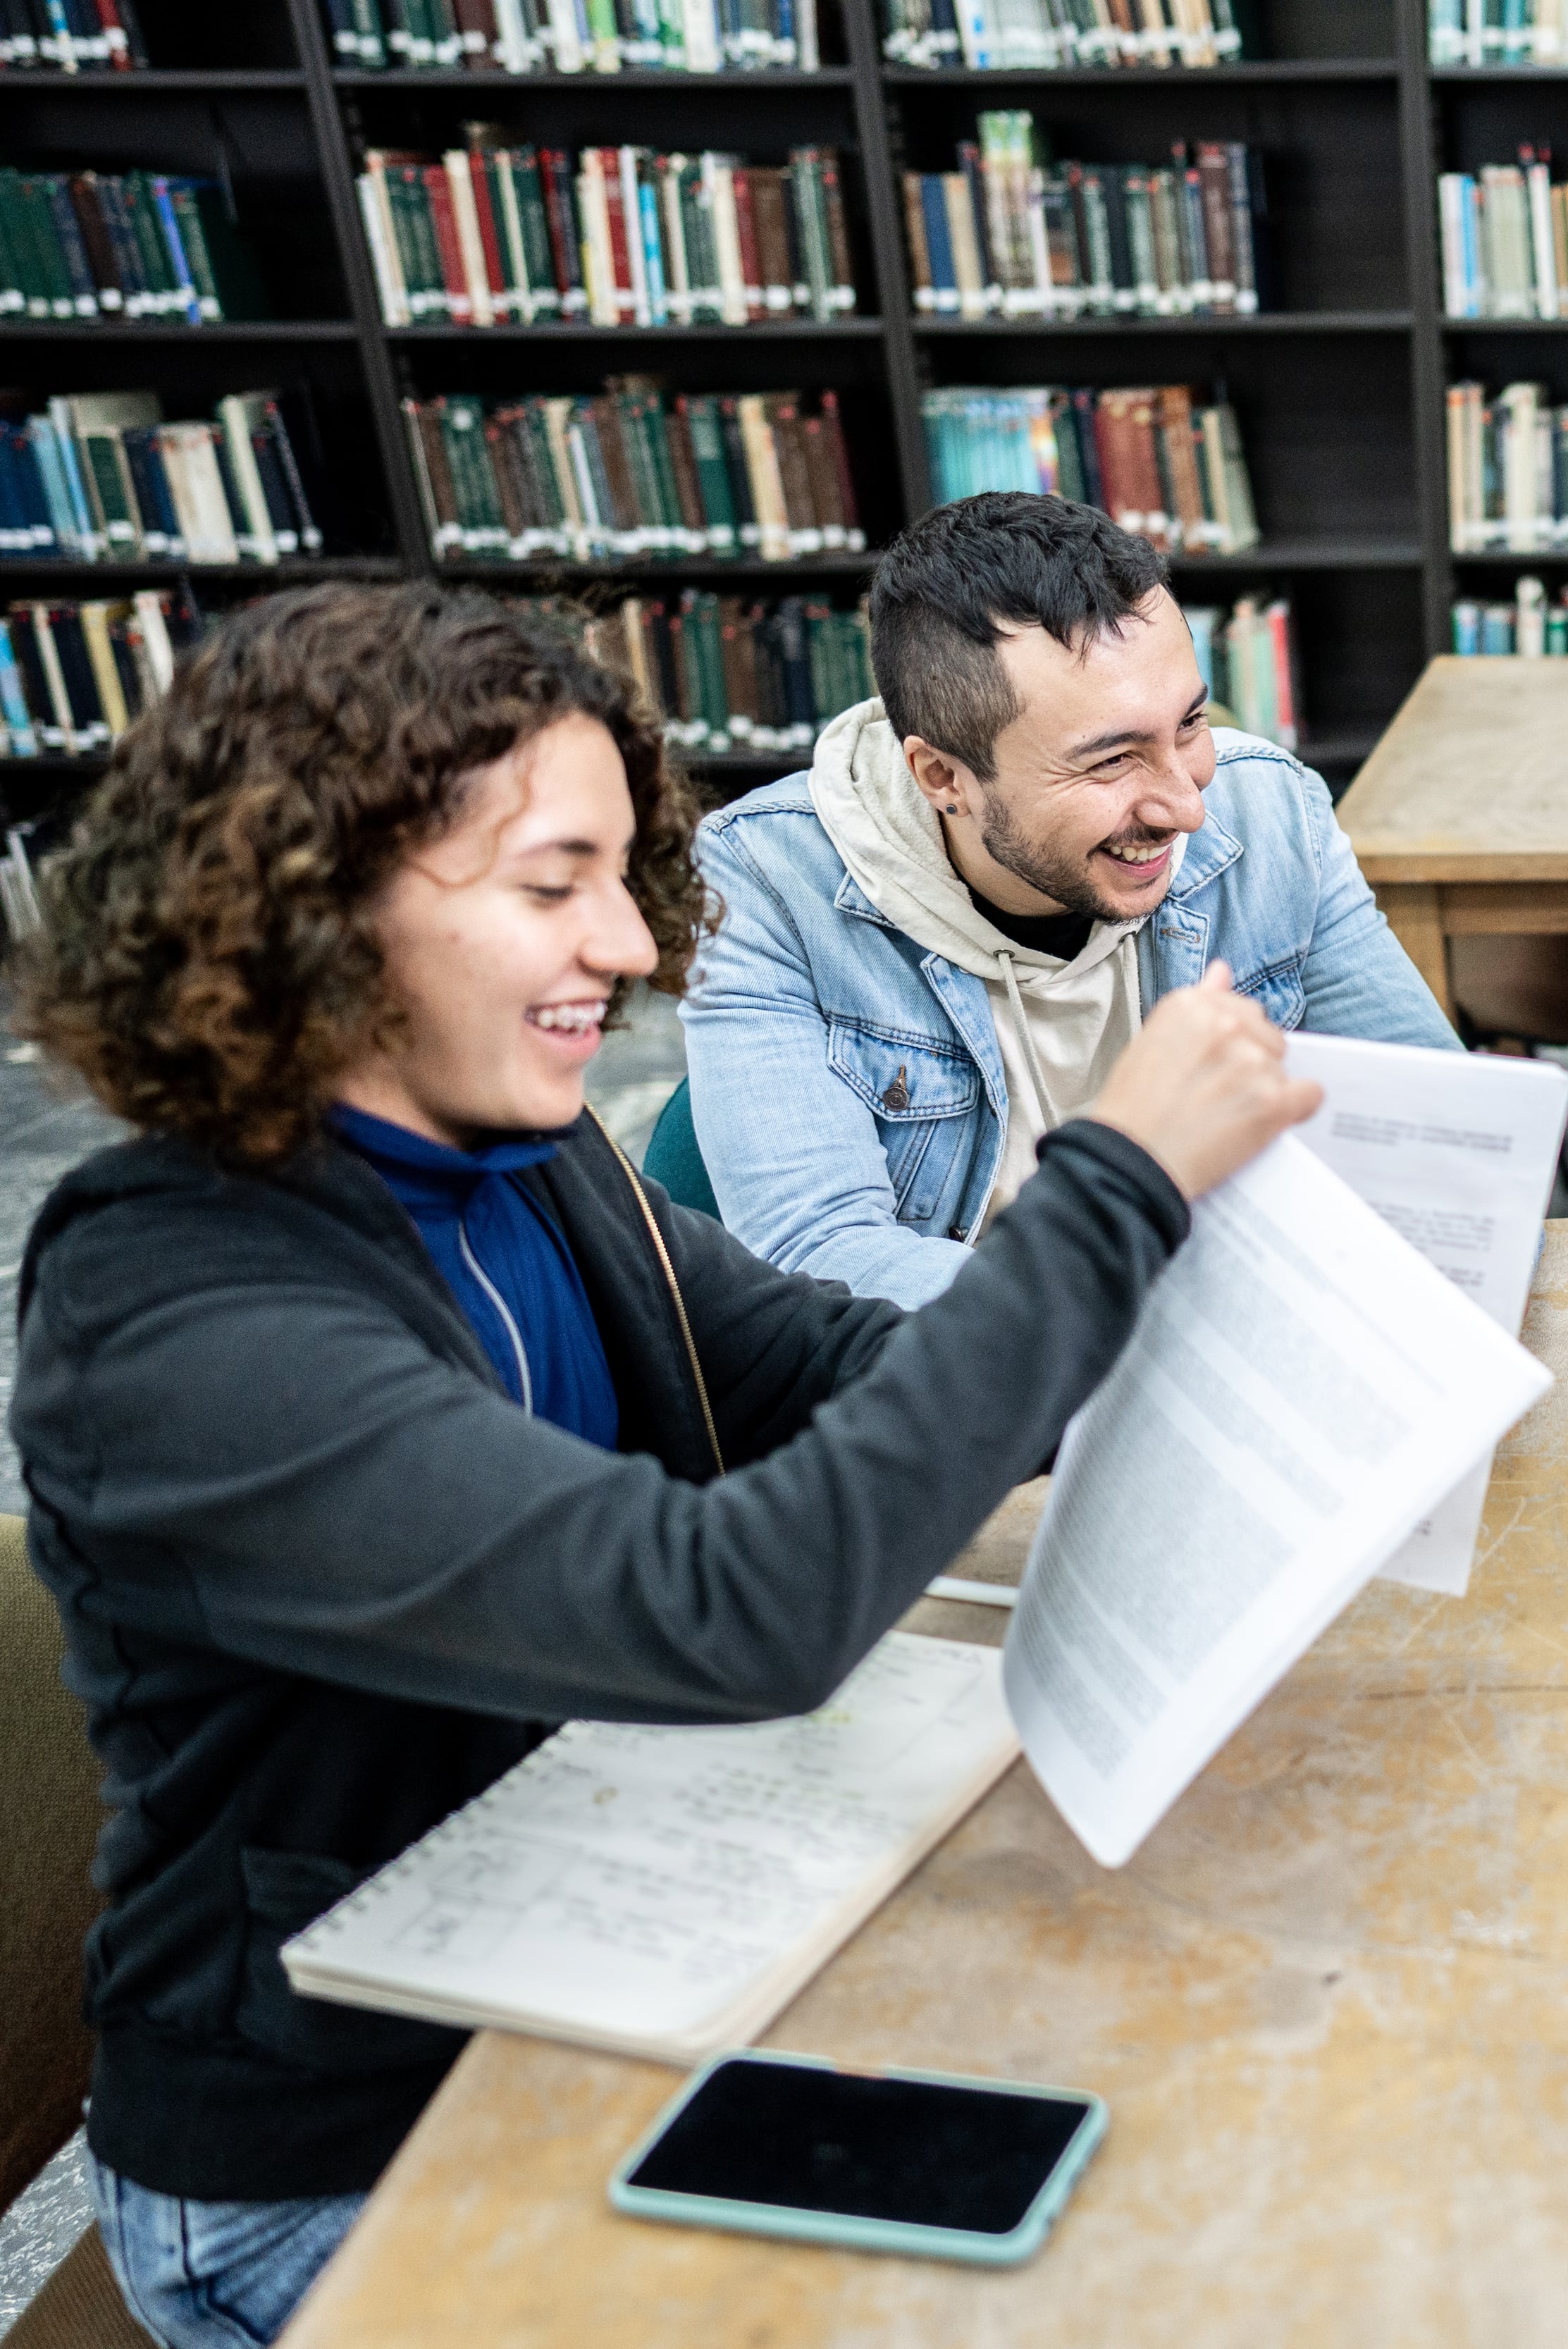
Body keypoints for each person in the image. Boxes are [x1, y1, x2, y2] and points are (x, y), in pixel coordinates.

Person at [11, 584, 1318, 2347]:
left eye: (623, 879)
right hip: (338, 2155)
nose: (629, 945)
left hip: (590, 1952)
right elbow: (732, 1615)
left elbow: (841, 1364)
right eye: (553, 886)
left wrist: (1245, 1370)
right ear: (305, 905)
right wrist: (1118, 1187)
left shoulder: (526, 1154)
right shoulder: (170, 1311)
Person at [684, 491, 1450, 1309]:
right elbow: (823, 1258)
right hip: (968, 1390)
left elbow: (1443, 1149)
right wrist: (1137, 1321)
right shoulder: (762, 880)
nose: (1187, 808)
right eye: (1111, 761)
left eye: (1188, 725)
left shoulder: (1271, 814)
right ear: (944, 777)